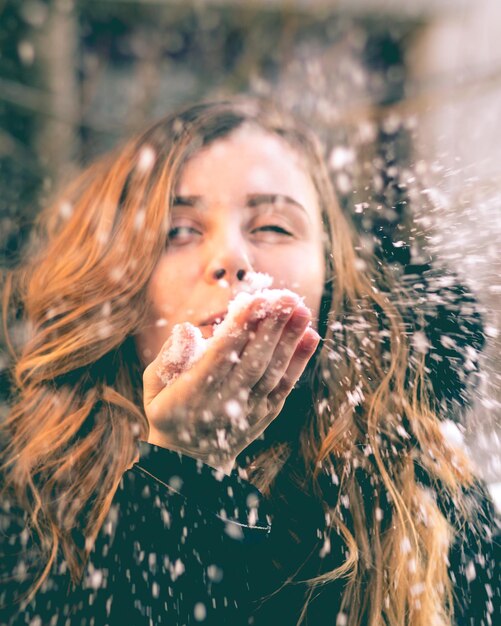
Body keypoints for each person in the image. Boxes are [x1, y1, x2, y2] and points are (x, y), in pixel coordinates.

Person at [0, 98, 498, 626]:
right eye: (179, 231)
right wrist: (184, 474)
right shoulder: (29, 497)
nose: (232, 259)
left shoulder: (424, 493)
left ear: (331, 279)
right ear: (119, 286)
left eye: (275, 227)